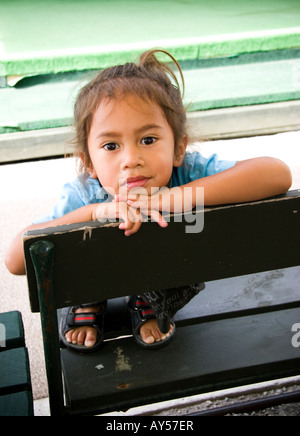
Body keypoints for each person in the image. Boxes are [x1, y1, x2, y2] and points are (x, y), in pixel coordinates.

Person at [5, 49, 292, 352]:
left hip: (168, 270)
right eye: (111, 145)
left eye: (148, 140)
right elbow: (14, 259)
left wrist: (179, 196)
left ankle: (149, 294)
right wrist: (93, 212)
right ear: (88, 162)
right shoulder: (86, 194)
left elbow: (277, 173)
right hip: (100, 275)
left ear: (179, 148)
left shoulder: (187, 172)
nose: (131, 160)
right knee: (88, 251)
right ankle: (90, 299)